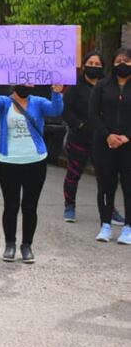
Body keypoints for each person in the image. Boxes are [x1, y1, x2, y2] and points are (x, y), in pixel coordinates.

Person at [0, 64, 64, 262]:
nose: (26, 83)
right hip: (9, 161)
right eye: (22, 79)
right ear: (13, 81)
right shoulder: (4, 102)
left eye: (30, 80)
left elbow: (56, 110)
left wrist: (57, 92)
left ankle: (26, 246)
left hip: (35, 162)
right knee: (10, 205)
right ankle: (9, 244)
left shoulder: (38, 102)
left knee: (30, 206)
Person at [62, 52, 124, 224]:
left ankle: (109, 210)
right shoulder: (75, 86)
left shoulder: (107, 86)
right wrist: (79, 125)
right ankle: (69, 206)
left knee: (105, 177)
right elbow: (66, 110)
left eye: (98, 64)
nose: (94, 67)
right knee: (73, 174)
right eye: (91, 63)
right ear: (84, 65)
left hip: (103, 140)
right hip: (79, 139)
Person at [87, 48, 131, 244]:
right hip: (105, 143)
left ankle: (128, 227)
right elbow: (93, 114)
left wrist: (127, 137)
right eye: (119, 60)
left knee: (128, 185)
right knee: (106, 184)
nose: (123, 64)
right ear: (112, 64)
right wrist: (108, 135)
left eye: (127, 60)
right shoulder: (102, 86)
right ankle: (105, 225)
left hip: (128, 145)